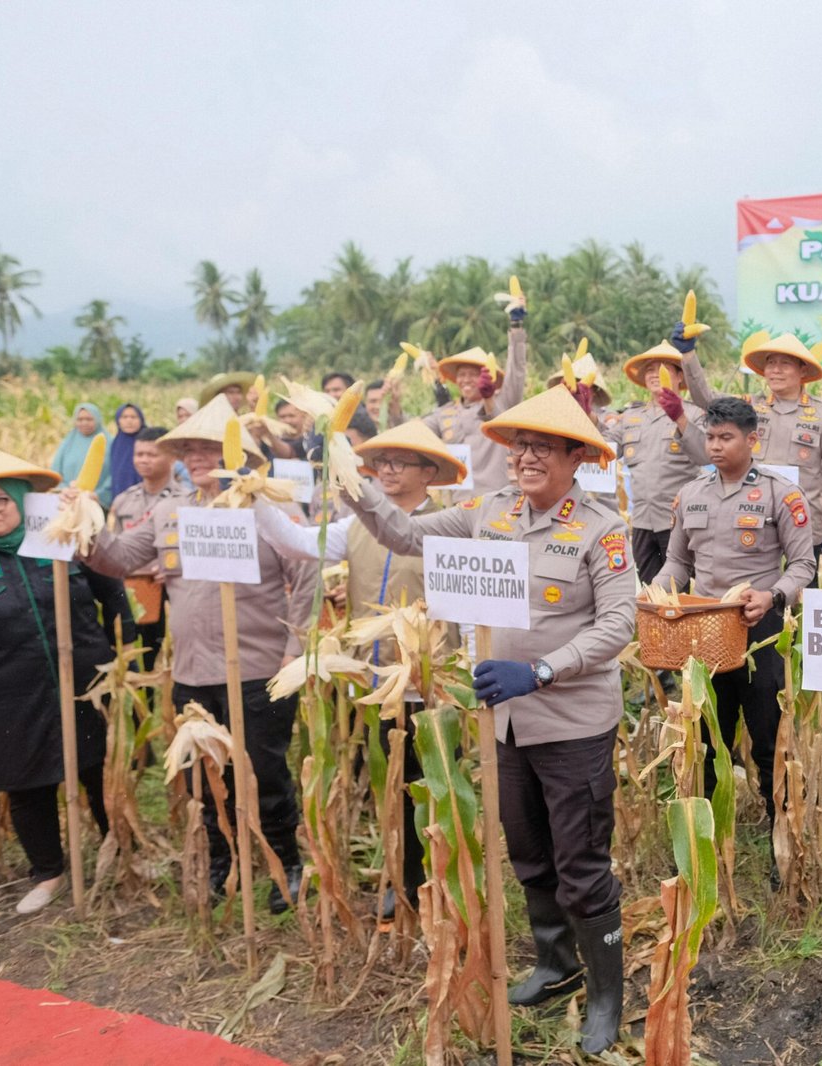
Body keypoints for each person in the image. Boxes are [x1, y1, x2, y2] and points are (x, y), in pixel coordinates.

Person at [338, 386, 633, 1054]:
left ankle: (607, 996)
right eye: (519, 445)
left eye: (542, 446)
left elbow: (619, 621)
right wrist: (347, 481)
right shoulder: (487, 511)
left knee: (581, 862)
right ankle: (557, 967)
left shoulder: (600, 528)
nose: (526, 456)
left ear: (576, 457)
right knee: (529, 852)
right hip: (504, 722)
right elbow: (405, 533)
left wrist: (542, 669)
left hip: (571, 720)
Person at [72, 396, 315, 913]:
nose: (197, 457)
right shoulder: (170, 511)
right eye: (189, 449)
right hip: (192, 672)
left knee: (263, 772)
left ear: (237, 453)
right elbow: (116, 558)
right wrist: (81, 523)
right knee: (206, 775)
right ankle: (224, 860)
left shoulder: (269, 511)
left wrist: (295, 654)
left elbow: (307, 575)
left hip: (259, 669)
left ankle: (284, 865)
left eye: (209, 448)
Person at [255, 419, 464, 919]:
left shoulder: (454, 525)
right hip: (372, 682)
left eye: (399, 462)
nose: (386, 470)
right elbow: (297, 543)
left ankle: (431, 884)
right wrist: (255, 495)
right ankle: (400, 879)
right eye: (381, 462)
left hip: (429, 683)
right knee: (386, 787)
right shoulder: (355, 527)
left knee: (428, 788)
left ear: (429, 473)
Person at [652, 398, 816, 845]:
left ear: (751, 440)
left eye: (726, 437)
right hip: (703, 632)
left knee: (768, 744)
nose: (716, 446)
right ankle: (704, 845)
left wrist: (772, 596)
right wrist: (654, 594)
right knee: (704, 741)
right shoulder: (690, 494)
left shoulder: (781, 494)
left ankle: (781, 842)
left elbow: (803, 566)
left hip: (759, 632)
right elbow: (676, 561)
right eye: (711, 437)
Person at [0, 449, 133, 915]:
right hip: (12, 692)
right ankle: (48, 870)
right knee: (26, 781)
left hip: (85, 679)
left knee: (101, 771)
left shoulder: (62, 536)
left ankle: (121, 853)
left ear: (19, 498)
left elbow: (113, 595)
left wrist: (124, 656)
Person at [678, 329, 822, 576]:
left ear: (802, 371)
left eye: (784, 364)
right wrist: (688, 355)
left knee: (799, 602)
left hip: (803, 525)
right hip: (752, 523)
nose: (775, 370)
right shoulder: (749, 407)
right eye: (770, 363)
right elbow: (707, 399)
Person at [386, 319, 526, 497]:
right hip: (457, 505)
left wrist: (516, 329)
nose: (466, 380)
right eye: (461, 374)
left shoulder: (500, 404)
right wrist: (394, 402)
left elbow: (517, 372)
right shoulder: (445, 412)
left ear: (486, 377)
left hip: (494, 499)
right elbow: (411, 431)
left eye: (473, 375)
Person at [609, 341, 707, 583]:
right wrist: (585, 413)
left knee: (680, 594)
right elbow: (605, 447)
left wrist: (679, 418)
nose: (655, 374)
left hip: (677, 522)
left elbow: (704, 455)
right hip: (642, 520)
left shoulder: (694, 413)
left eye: (663, 368)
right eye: (650, 369)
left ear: (679, 376)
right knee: (650, 592)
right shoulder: (631, 416)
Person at [107, 426, 191, 668]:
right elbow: (114, 545)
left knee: (167, 657)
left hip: (170, 591)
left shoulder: (185, 501)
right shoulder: (123, 500)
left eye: (151, 454)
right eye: (139, 454)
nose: (143, 460)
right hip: (132, 590)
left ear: (172, 458)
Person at [50, 402, 112, 505]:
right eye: (80, 419)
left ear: (98, 420)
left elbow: (113, 475)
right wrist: (65, 490)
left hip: (95, 502)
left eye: (89, 419)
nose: (84, 423)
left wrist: (98, 495)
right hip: (67, 500)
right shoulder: (68, 442)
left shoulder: (109, 443)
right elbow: (56, 472)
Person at [108, 403, 146, 497]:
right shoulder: (116, 443)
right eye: (124, 417)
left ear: (141, 419)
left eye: (133, 417)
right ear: (118, 421)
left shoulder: (148, 440)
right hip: (120, 496)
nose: (129, 421)